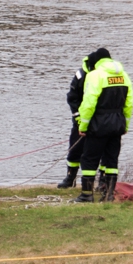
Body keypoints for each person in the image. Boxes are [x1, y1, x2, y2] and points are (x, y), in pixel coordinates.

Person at [75, 49, 133, 203]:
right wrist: (125, 124)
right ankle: (109, 195)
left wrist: (83, 125)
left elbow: (89, 103)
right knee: (111, 160)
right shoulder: (124, 75)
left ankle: (86, 194)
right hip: (117, 124)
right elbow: (129, 104)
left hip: (98, 123)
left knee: (89, 159)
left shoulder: (95, 75)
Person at [57, 50, 101, 189]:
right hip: (81, 118)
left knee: (100, 151)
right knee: (75, 148)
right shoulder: (80, 75)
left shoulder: (103, 75)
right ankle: (70, 177)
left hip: (100, 120)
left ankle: (102, 182)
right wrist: (78, 119)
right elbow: (72, 98)